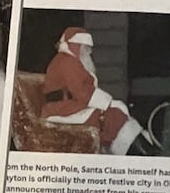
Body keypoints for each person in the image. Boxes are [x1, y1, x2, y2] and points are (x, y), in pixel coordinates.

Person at [42, 27, 160, 155]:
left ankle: (144, 151)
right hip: (63, 109)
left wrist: (110, 103)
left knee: (116, 113)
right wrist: (108, 103)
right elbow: (82, 92)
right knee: (113, 117)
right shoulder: (67, 62)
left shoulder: (70, 61)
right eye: (86, 47)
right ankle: (143, 156)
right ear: (76, 46)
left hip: (73, 106)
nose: (90, 51)